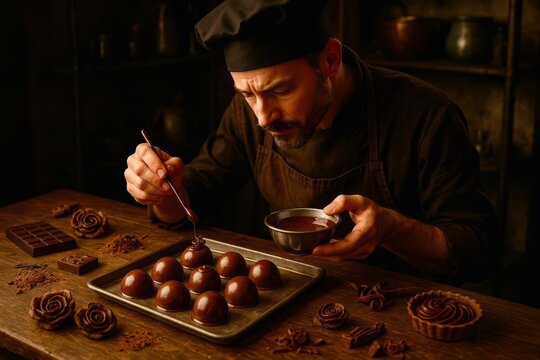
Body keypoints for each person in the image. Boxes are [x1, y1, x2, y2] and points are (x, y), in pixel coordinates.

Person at [124, 0, 497, 284]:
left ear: (330, 60)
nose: (262, 117)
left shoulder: (428, 116)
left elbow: (476, 248)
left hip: (400, 309)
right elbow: (197, 196)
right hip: (285, 294)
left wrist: (392, 229)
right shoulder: (248, 113)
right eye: (247, 95)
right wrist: (161, 189)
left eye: (281, 90)